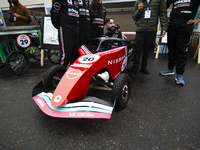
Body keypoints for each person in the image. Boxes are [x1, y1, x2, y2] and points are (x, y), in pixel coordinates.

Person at [160, 0, 200, 86]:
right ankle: (170, 69)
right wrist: (165, 20)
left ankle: (179, 75)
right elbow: (163, 6)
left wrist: (197, 20)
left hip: (185, 26)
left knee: (181, 50)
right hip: (172, 25)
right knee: (171, 48)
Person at [130, 0, 167, 76]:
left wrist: (164, 27)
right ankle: (135, 68)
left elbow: (163, 13)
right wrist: (139, 10)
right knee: (137, 49)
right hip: (140, 29)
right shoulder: (139, 1)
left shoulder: (159, 1)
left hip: (151, 29)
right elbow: (134, 17)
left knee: (147, 49)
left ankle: (144, 67)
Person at [51, 0, 79, 67]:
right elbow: (54, 13)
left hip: (76, 29)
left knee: (76, 55)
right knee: (65, 55)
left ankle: (74, 74)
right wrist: (62, 25)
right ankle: (59, 74)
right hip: (66, 28)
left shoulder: (77, 1)